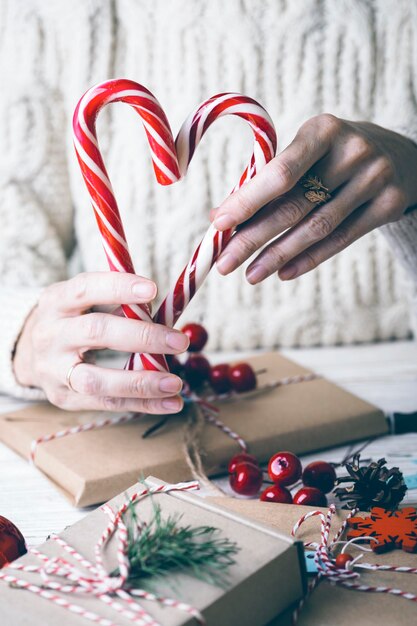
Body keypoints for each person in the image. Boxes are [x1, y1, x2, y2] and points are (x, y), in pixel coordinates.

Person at [1, 0, 416, 414]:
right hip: (107, 414)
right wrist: (24, 333)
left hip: (390, 399)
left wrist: (412, 181)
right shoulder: (51, 14)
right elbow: (12, 244)